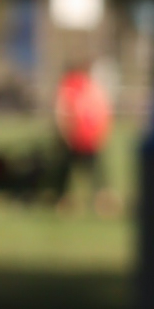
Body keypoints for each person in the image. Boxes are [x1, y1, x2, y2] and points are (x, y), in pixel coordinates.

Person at [52, 59, 113, 205]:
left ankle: (63, 198)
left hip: (77, 137)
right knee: (93, 170)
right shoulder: (89, 86)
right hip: (88, 137)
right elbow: (103, 109)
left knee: (68, 169)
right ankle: (101, 198)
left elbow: (61, 111)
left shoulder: (70, 86)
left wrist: (63, 133)